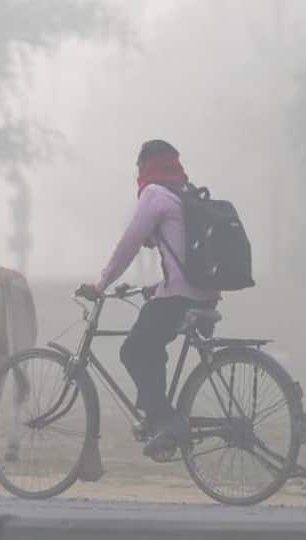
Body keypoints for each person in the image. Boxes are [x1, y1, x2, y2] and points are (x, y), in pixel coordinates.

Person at [85, 139, 220, 456]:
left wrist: (101, 283)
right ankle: (158, 415)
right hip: (205, 295)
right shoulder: (186, 193)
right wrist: (154, 288)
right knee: (151, 341)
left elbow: (130, 243)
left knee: (134, 349)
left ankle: (164, 421)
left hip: (180, 298)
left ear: (145, 165)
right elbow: (187, 257)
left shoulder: (155, 194)